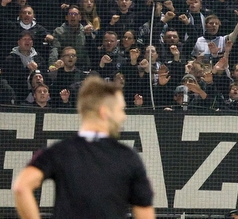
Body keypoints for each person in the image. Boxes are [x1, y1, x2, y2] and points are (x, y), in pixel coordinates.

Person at [12, 76, 154, 219]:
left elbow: (21, 187)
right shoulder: (128, 157)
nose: (124, 117)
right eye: (120, 110)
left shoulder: (60, 150)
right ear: (105, 112)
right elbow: (145, 213)